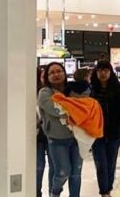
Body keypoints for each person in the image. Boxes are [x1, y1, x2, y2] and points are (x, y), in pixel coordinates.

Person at [38, 62, 87, 197]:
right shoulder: (44, 93)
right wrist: (75, 108)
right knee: (62, 172)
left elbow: (86, 106)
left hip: (78, 138)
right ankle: (55, 193)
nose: (56, 74)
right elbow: (56, 110)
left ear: (64, 73)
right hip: (57, 139)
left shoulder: (73, 89)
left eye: (59, 71)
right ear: (47, 77)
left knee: (76, 174)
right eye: (52, 73)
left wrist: (76, 108)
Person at [90, 61, 120, 197]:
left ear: (110, 72)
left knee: (111, 162)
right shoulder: (92, 89)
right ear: (96, 72)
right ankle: (104, 191)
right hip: (96, 133)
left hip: (114, 133)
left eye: (106, 70)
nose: (103, 73)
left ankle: (108, 189)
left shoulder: (118, 88)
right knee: (100, 163)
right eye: (100, 70)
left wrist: (119, 125)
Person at [36, 66, 54, 197]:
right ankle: (36, 192)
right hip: (37, 136)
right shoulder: (33, 92)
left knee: (54, 166)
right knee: (39, 166)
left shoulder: (52, 92)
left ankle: (53, 193)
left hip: (52, 134)